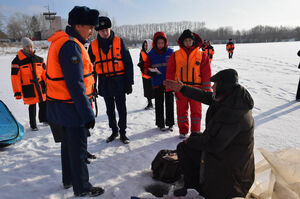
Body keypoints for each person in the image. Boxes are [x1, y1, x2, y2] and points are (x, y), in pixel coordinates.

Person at [164, 68, 255, 199]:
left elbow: (214, 144)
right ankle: (195, 182)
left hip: (232, 174)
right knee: (194, 138)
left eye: (215, 84)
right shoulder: (232, 97)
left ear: (224, 87)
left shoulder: (232, 114)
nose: (212, 87)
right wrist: (182, 89)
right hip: (229, 153)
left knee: (185, 147)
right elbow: (207, 96)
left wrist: (190, 141)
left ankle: (194, 188)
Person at [46, 6, 104, 197]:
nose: (92, 31)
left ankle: (69, 179)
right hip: (72, 108)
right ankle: (83, 188)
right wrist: (87, 114)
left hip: (61, 106)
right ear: (78, 25)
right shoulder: (70, 46)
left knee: (68, 145)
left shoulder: (63, 41)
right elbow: (75, 84)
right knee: (78, 149)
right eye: (90, 27)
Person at [88, 16, 134, 144]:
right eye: (102, 30)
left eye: (107, 29)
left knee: (122, 109)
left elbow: (128, 63)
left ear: (110, 29)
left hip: (119, 80)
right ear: (98, 31)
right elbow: (89, 68)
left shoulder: (119, 42)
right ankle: (114, 131)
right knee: (109, 110)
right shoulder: (93, 46)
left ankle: (123, 132)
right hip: (104, 81)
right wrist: (92, 87)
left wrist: (129, 82)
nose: (105, 32)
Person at [166, 29, 211, 138]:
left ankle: (195, 133)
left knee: (196, 113)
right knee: (181, 112)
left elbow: (206, 73)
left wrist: (206, 90)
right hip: (180, 88)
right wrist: (170, 88)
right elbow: (170, 71)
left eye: (189, 40)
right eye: (185, 40)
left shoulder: (202, 55)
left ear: (193, 41)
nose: (187, 42)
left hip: (197, 89)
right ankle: (183, 131)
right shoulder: (175, 55)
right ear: (182, 41)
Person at [11, 37, 47, 131]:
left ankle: (44, 119)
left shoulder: (39, 59)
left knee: (43, 103)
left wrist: (48, 85)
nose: (30, 49)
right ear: (23, 47)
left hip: (40, 86)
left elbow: (44, 74)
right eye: (27, 47)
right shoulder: (17, 61)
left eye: (31, 46)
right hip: (28, 88)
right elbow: (15, 78)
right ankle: (33, 125)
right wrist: (17, 92)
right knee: (32, 106)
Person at [144, 32, 174, 131]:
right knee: (159, 103)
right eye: (158, 43)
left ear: (165, 43)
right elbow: (146, 67)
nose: (160, 45)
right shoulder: (151, 54)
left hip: (169, 82)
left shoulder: (171, 52)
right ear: (155, 43)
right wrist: (149, 72)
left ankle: (170, 123)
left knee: (169, 103)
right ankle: (160, 123)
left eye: (162, 43)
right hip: (157, 82)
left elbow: (176, 66)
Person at [137, 39, 154, 110]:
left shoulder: (154, 52)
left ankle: (157, 102)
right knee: (147, 90)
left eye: (147, 45)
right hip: (144, 74)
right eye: (144, 45)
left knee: (154, 90)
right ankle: (149, 103)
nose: (146, 46)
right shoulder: (142, 52)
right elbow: (140, 60)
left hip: (152, 74)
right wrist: (141, 65)